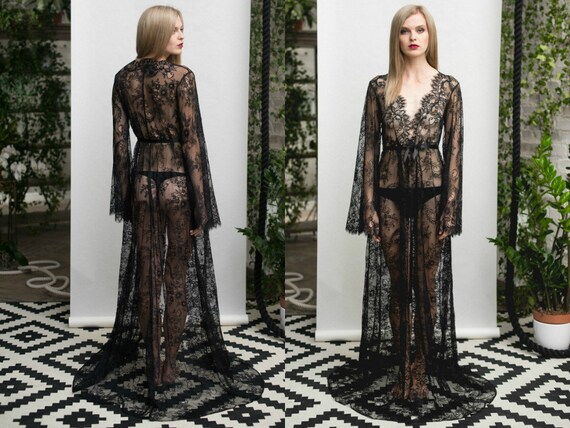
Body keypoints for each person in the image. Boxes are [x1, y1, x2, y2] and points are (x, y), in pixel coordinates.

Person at [73, 5, 263, 420]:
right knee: (175, 276)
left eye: (182, 29)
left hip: (142, 182)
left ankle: (151, 360)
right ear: (156, 32)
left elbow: (120, 145)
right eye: (175, 29)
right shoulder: (182, 77)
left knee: (147, 275)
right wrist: (202, 203)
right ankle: (170, 364)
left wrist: (125, 196)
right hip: (177, 184)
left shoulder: (122, 78)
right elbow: (192, 142)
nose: (181, 35)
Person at [328, 4, 496, 422]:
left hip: (432, 195)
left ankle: (420, 367)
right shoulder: (379, 86)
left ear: (430, 35)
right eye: (405, 31)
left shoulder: (449, 87)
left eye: (420, 30)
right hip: (388, 193)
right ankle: (403, 366)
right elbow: (369, 149)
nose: (413, 37)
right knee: (399, 285)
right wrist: (367, 204)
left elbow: (454, 151)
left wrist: (451, 207)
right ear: (396, 37)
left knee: (426, 285)